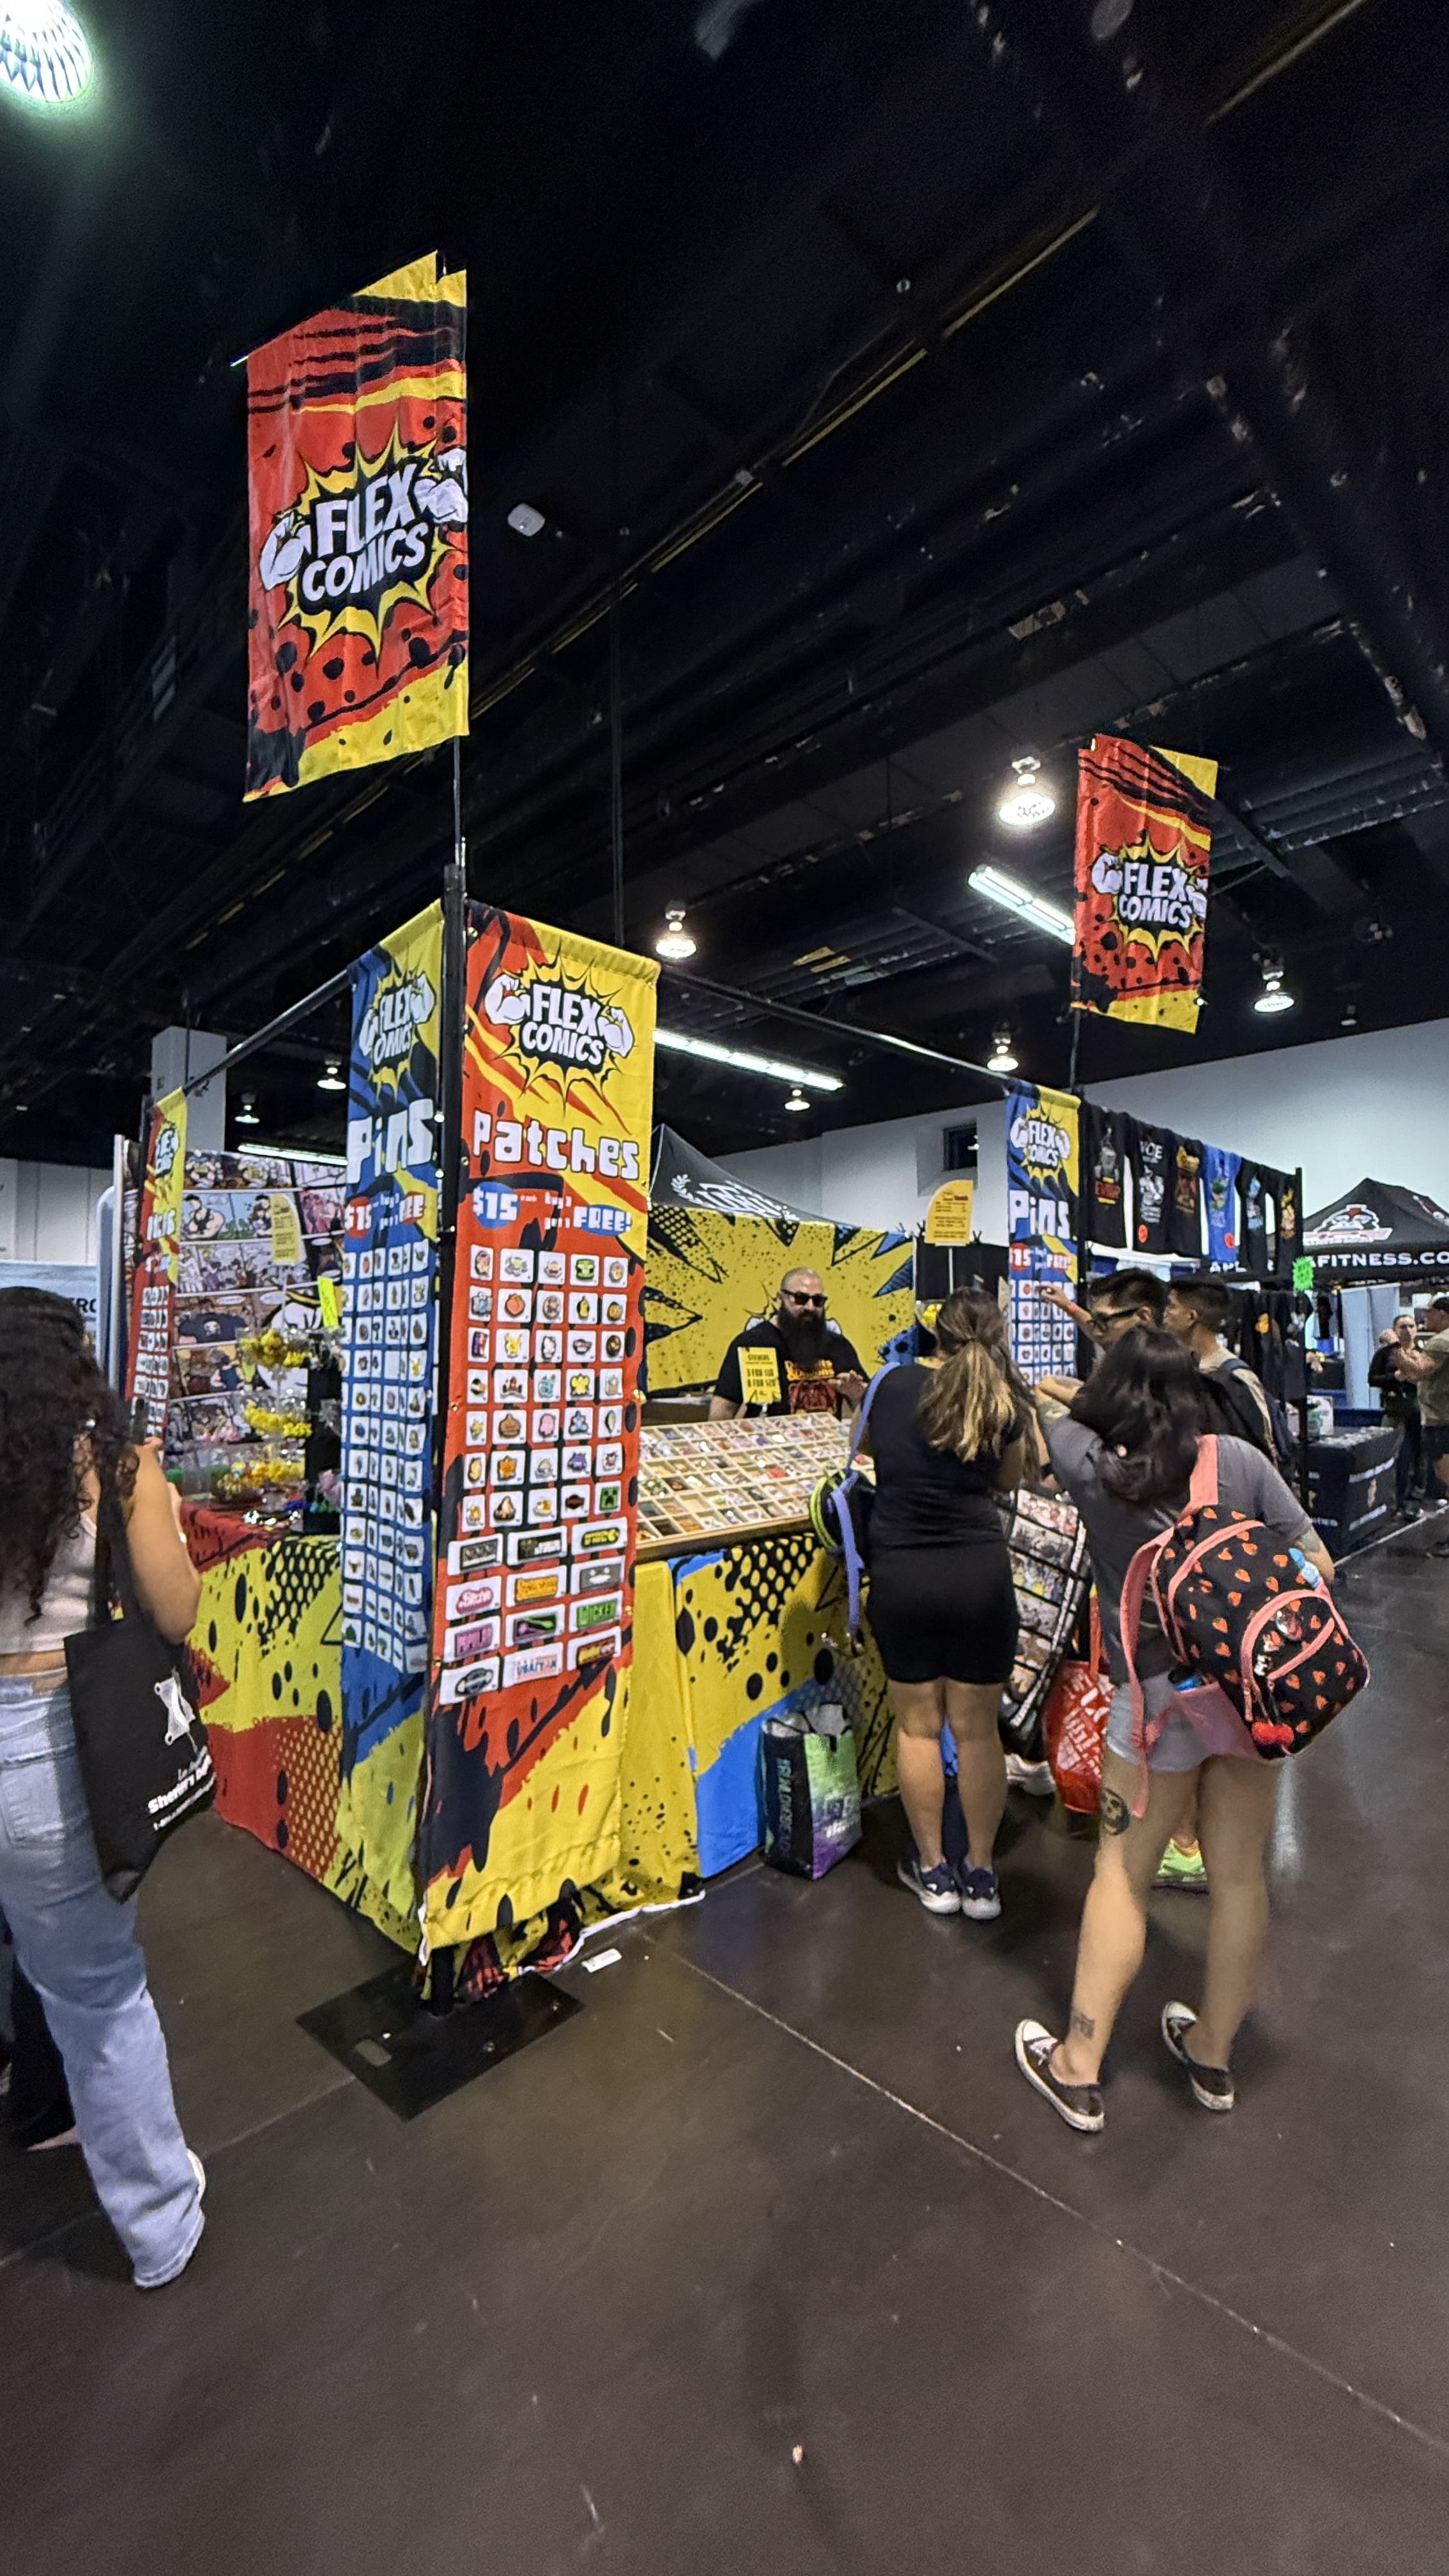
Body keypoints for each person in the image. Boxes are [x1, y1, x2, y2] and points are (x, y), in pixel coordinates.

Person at [1014, 1327, 1336, 2133]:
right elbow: (1322, 1567)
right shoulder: (1239, 1462)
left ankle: (1079, 2065)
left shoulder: (1092, 1466)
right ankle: (1212, 2057)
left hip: (1154, 1708)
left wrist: (1095, 1389)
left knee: (1123, 1876)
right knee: (1240, 1879)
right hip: (1249, 1703)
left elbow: (1063, 1417)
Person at [0, 1288, 206, 2287]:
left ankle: (40, 2114)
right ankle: (160, 2226)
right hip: (46, 1748)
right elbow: (176, 1610)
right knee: (100, 1995)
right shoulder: (116, 1469)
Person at [863, 1291, 1032, 1922]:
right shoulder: (1003, 1399)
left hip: (902, 1575)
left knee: (918, 1728)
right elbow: (1009, 1481)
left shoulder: (890, 1385)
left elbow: (869, 1455)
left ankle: (934, 1869)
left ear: (933, 1330)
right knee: (977, 1731)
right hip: (979, 1578)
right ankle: (981, 1874)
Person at [710, 1268, 868, 1418]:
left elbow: (867, 1410)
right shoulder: (752, 1344)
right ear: (781, 1298)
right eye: (801, 1299)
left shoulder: (839, 1346)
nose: (810, 1307)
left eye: (818, 1301)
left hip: (825, 1436)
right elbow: (723, 1410)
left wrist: (856, 1396)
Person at [1163, 1275, 1275, 1453]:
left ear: (1191, 1317)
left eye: (1172, 1306)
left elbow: (1264, 1446)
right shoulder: (1173, 1367)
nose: (1165, 1313)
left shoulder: (1237, 1377)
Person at [1389, 1297, 1449, 1555]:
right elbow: (1419, 1375)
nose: (1425, 1316)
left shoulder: (1442, 1342)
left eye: (1430, 1312)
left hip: (1442, 1421)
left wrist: (1394, 1347)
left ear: (1443, 1313)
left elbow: (1418, 1370)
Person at [1368, 1314, 1425, 1518]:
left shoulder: (1423, 1353)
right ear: (1395, 1330)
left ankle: (1413, 1499)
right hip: (1393, 1411)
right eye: (1403, 1326)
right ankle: (1388, 1500)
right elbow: (1372, 1379)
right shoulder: (1385, 1354)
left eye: (1411, 1326)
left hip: (1417, 1412)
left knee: (1417, 1457)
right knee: (1388, 1455)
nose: (1407, 1330)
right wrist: (1394, 1377)